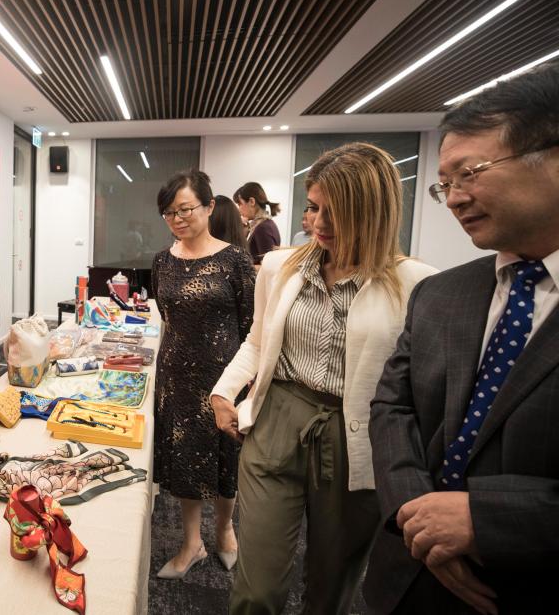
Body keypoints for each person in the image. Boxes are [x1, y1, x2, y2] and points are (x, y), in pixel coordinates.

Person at [363, 62, 559, 615]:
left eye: (470, 173)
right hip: (407, 572)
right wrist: (417, 513)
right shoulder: (442, 293)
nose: (453, 199)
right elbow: (392, 407)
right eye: (444, 184)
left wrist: (484, 519)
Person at [210, 143, 437, 614]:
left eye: (338, 213)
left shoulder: (417, 284)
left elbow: (419, 384)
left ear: (373, 213)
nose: (319, 223)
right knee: (257, 588)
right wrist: (223, 392)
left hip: (357, 436)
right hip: (276, 418)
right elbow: (257, 341)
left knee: (330, 587)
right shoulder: (280, 266)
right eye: (313, 207)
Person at [151, 169, 255, 579]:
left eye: (185, 209)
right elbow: (167, 316)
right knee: (185, 461)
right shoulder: (162, 261)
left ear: (210, 207)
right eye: (169, 212)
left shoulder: (235, 260)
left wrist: (245, 384)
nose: (177, 219)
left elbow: (251, 325)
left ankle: (226, 530)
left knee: (226, 459)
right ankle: (192, 543)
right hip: (176, 377)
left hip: (224, 378)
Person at [233, 182, 281, 265]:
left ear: (252, 201)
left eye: (240, 204)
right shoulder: (263, 224)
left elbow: (269, 267)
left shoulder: (263, 227)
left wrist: (243, 269)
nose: (238, 209)